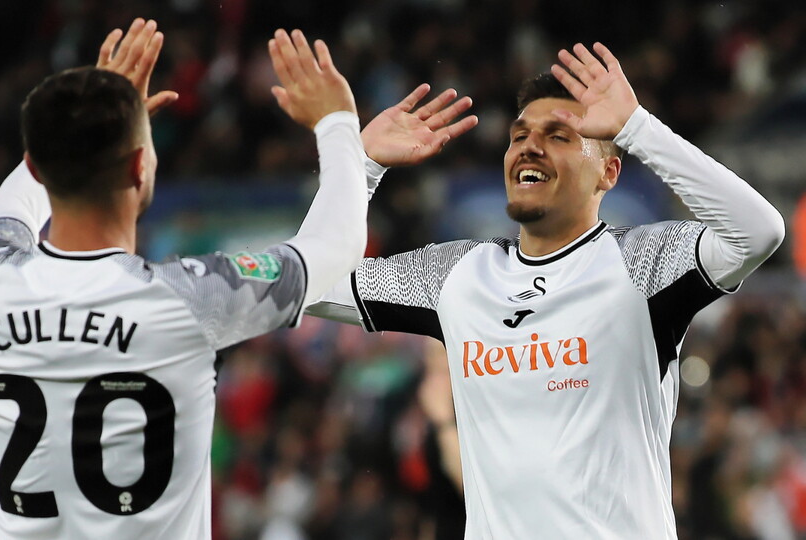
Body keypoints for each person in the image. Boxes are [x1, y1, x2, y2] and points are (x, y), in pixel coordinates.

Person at [310, 42, 786, 538]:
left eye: (559, 135)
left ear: (609, 171)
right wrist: (359, 165)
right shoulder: (458, 275)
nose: (529, 145)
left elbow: (759, 231)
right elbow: (312, 283)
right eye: (519, 135)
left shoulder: (642, 265)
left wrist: (636, 129)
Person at [0, 19, 369, 538]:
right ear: (141, 166)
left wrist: (91, 122)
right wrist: (338, 124)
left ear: (36, 164)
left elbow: (19, 197)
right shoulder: (190, 299)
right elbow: (336, 247)